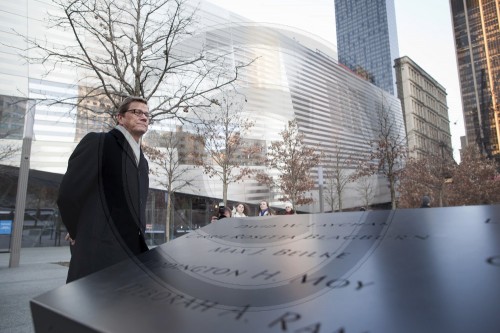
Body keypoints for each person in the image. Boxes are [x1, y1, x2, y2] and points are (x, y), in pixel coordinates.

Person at [57, 96, 150, 283]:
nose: (144, 117)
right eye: (136, 112)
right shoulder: (99, 142)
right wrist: (77, 232)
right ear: (120, 118)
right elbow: (68, 194)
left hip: (131, 257)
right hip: (97, 256)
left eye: (147, 114)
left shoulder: (144, 162)